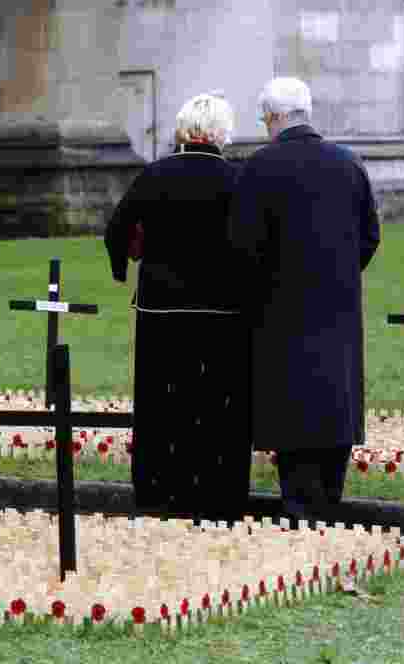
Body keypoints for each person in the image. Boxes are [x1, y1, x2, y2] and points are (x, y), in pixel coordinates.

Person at [227, 77, 381, 524]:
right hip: (338, 308)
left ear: (274, 118)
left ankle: (300, 512)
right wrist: (338, 275)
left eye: (263, 119)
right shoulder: (349, 164)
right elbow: (370, 237)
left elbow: (242, 247)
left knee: (291, 413)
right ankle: (328, 504)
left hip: (280, 312)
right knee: (334, 406)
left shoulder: (258, 168)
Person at [104, 91, 253, 523]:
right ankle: (219, 495)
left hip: (162, 309)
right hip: (223, 310)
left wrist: (125, 266)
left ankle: (158, 492)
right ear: (222, 134)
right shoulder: (237, 178)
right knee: (220, 405)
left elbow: (117, 229)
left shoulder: (155, 173)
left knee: (160, 404)